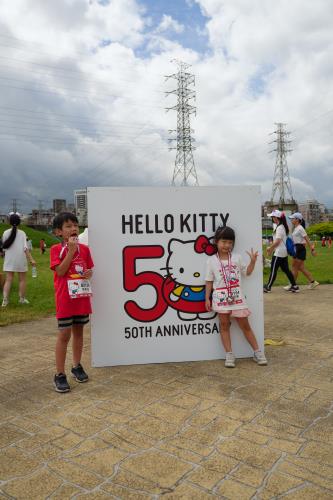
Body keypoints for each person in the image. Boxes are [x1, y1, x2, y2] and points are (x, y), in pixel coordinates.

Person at [205, 225, 267, 368]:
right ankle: (229, 354)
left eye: (230, 242)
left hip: (237, 297)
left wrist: (252, 261)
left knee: (245, 325)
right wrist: (206, 298)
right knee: (224, 325)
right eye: (224, 242)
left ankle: (258, 352)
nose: (227, 245)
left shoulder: (237, 258)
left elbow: (248, 273)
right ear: (216, 241)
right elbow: (208, 281)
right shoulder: (211, 261)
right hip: (220, 298)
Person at [50, 212, 94, 393]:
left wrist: (88, 274)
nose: (74, 228)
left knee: (79, 332)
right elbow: (60, 271)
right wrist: (70, 251)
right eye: (68, 226)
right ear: (59, 232)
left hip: (81, 297)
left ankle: (77, 365)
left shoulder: (85, 249)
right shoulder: (55, 249)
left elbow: (89, 269)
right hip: (65, 300)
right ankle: (59, 374)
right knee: (64, 335)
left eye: (75, 225)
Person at [1, 213, 36, 307]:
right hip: (20, 260)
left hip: (9, 259)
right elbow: (25, 249)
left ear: (9, 222)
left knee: (8, 280)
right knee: (22, 280)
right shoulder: (22, 233)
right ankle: (22, 299)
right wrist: (31, 259)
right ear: (19, 223)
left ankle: (5, 301)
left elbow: (4, 248)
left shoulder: (5, 232)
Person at [263, 210, 299, 293]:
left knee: (273, 270)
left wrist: (270, 248)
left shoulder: (279, 228)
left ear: (276, 218)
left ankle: (268, 287)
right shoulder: (281, 226)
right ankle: (294, 286)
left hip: (279, 253)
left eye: (272, 217)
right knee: (286, 270)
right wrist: (271, 249)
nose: (272, 218)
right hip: (283, 252)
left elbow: (277, 241)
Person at [286, 212, 319, 290]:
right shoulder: (296, 228)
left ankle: (293, 285)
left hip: (300, 249)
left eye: (292, 218)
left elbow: (307, 239)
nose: (291, 220)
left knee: (295, 267)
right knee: (300, 267)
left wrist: (312, 249)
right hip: (296, 249)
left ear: (297, 220)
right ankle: (313, 282)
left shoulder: (300, 228)